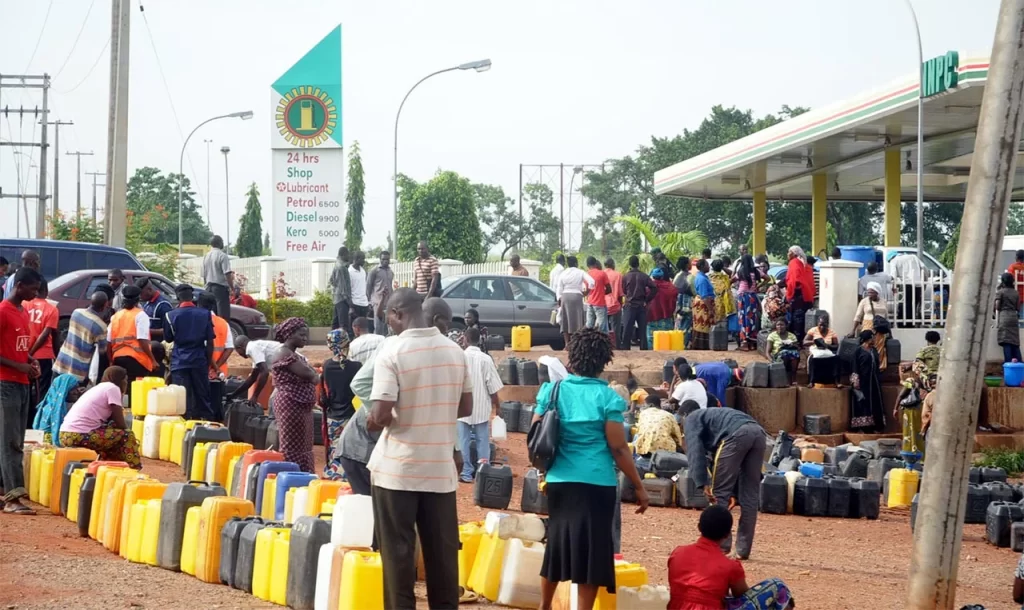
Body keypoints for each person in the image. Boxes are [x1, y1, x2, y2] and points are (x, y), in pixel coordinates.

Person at [367, 290, 473, 610]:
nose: (387, 322)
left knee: (398, 560)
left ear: (399, 313)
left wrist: (373, 420)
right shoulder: (455, 352)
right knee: (442, 560)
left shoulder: (393, 351)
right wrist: (433, 412)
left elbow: (382, 414)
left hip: (397, 472)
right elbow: (466, 406)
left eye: (388, 315)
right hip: (439, 473)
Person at [533, 328, 648, 610]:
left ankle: (544, 606)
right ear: (603, 362)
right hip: (598, 484)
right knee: (594, 551)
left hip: (560, 480)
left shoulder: (552, 390)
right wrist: (639, 486)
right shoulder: (608, 398)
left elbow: (536, 430)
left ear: (571, 358)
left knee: (557, 544)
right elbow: (619, 449)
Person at [681, 401, 766, 560]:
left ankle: (720, 548)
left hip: (736, 435)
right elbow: (725, 462)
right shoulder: (714, 417)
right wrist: (734, 492)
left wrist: (702, 482)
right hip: (758, 433)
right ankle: (743, 550)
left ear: (684, 415)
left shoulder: (692, 418)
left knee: (718, 495)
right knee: (750, 496)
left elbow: (695, 451)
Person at [668, 505, 794, 610]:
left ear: (699, 527)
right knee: (777, 585)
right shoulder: (730, 566)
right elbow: (742, 595)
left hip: (677, 606)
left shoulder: (677, 553)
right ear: (727, 534)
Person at [0, 267, 43, 515]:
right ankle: (13, 497)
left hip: (22, 381)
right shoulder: (3, 311)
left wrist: (29, 360)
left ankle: (5, 490)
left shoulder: (22, 312)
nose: (34, 293)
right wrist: (20, 365)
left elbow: (16, 347)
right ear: (20, 286)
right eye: (33, 289)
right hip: (6, 382)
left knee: (12, 438)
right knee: (11, 440)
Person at [58, 366, 142, 469]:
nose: (126, 383)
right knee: (127, 435)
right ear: (120, 379)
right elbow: (120, 423)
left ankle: (109, 467)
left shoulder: (99, 388)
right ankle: (135, 469)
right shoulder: (113, 388)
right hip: (78, 435)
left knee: (111, 434)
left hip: (65, 434)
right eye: (125, 380)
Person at [268, 317, 318, 472]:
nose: (305, 338)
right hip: (290, 404)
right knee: (291, 444)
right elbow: (312, 376)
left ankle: (303, 474)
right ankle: (291, 476)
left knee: (303, 444)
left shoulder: (294, 355)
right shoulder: (284, 354)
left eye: (306, 335)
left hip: (300, 405)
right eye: (301, 334)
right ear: (289, 334)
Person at [458, 327, 503, 483]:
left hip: (462, 407)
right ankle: (483, 472)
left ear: (464, 339)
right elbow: (493, 386)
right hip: (481, 407)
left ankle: (465, 472)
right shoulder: (485, 359)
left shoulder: (459, 357)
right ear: (480, 340)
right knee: (482, 440)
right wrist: (498, 406)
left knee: (462, 440)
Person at [163, 284, 215, 421]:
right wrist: (208, 363)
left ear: (178, 297)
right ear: (192, 297)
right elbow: (210, 343)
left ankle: (184, 429)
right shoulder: (205, 314)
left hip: (179, 361)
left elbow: (168, 338)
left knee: (182, 399)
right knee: (203, 396)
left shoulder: (170, 315)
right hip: (199, 360)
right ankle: (208, 427)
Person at [320, 328, 362, 479]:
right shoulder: (357, 367)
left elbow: (324, 395)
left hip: (333, 417)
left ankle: (333, 476)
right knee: (351, 449)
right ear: (347, 344)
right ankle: (348, 478)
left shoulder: (326, 366)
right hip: (352, 416)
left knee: (334, 449)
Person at [52, 291, 109, 382]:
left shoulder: (76, 312)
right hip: (78, 370)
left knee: (54, 394)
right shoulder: (100, 326)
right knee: (73, 396)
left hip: (61, 362)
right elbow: (102, 351)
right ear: (105, 305)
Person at [106, 285, 156, 385]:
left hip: (118, 358)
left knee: (122, 389)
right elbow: (142, 340)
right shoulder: (141, 315)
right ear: (138, 300)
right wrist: (153, 360)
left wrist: (110, 361)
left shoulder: (116, 316)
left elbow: (108, 342)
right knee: (136, 390)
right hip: (136, 359)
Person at [26, 279, 58, 403]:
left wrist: (27, 354)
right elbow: (45, 334)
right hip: (42, 354)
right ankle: (38, 419)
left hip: (24, 352)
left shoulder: (24, 304)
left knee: (27, 387)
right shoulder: (52, 309)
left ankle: (27, 418)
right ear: (46, 290)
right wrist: (32, 353)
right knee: (42, 390)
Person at [229, 336, 281, 407]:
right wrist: (233, 394)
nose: (239, 354)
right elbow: (253, 378)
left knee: (274, 402)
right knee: (274, 401)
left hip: (293, 371)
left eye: (237, 351)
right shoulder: (255, 349)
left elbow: (265, 372)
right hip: (290, 372)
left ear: (240, 347)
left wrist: (255, 396)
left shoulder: (252, 348)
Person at [850, 329, 886, 432]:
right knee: (863, 403)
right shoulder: (858, 351)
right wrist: (855, 383)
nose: (874, 339)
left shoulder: (873, 350)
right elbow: (854, 367)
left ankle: (876, 426)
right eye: (872, 337)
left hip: (874, 382)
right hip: (863, 382)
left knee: (876, 403)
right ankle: (863, 427)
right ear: (867, 339)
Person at [555, 255, 594, 346]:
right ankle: (575, 343)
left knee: (565, 320)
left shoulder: (563, 273)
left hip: (565, 297)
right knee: (577, 321)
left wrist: (559, 299)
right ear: (576, 263)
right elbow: (592, 282)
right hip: (577, 297)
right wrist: (587, 292)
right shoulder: (580, 272)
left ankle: (566, 344)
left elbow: (559, 287)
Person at [620, 255, 657, 351]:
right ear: (638, 264)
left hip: (630, 305)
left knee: (627, 330)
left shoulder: (626, 276)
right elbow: (654, 288)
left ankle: (626, 350)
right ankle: (643, 350)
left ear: (630, 264)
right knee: (642, 330)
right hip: (641, 305)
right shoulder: (644, 276)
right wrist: (647, 300)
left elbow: (623, 290)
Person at [894, 363, 926, 465]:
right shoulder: (923, 382)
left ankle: (910, 453)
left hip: (910, 410)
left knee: (909, 431)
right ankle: (920, 454)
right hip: (919, 409)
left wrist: (895, 408)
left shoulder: (910, 381)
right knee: (917, 431)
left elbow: (901, 395)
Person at [197, 293, 234, 378]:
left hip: (202, 371)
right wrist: (216, 369)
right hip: (219, 373)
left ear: (198, 304)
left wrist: (213, 369)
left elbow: (206, 348)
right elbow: (230, 348)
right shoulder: (223, 323)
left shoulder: (198, 322)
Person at [201, 235, 234, 320]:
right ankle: (222, 333)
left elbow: (203, 275)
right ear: (220, 243)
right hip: (220, 289)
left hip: (208, 288)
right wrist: (232, 288)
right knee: (223, 316)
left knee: (211, 316)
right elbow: (227, 274)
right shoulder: (222, 256)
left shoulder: (206, 256)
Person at [803, 311, 839, 387]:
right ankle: (811, 381)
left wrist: (827, 345)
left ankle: (836, 382)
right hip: (816, 350)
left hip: (826, 350)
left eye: (824, 325)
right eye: (820, 325)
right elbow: (804, 342)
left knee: (836, 358)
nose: (822, 327)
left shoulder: (832, 332)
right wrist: (815, 341)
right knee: (812, 359)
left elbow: (836, 345)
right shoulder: (813, 330)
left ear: (827, 324)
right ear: (817, 323)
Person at [785, 246, 815, 338]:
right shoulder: (804, 264)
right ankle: (802, 341)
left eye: (789, 252)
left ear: (794, 254)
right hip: (806, 296)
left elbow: (794, 280)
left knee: (797, 320)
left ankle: (797, 341)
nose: (787, 254)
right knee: (803, 320)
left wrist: (789, 296)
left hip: (797, 296)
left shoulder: (793, 263)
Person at [733, 255, 761, 351]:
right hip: (752, 297)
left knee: (743, 318)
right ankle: (752, 343)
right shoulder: (755, 272)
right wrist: (757, 286)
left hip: (742, 297)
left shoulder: (740, 272)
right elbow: (768, 278)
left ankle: (744, 342)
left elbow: (731, 280)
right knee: (751, 318)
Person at [890, 251, 926, 323]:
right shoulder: (914, 256)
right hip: (918, 284)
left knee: (906, 304)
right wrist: (924, 281)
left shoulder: (894, 261)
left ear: (891, 258)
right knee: (914, 304)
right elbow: (924, 268)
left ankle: (906, 323)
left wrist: (893, 286)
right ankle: (912, 322)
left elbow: (893, 275)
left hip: (906, 285)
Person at [647, 267, 679, 348]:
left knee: (651, 340)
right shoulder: (670, 287)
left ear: (652, 276)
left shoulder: (647, 288)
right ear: (662, 276)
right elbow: (675, 296)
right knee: (666, 340)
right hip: (666, 318)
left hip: (651, 318)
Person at [997, 272, 1023, 363]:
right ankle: (1019, 365)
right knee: (1015, 343)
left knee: (1006, 342)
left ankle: (1008, 364)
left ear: (1003, 282)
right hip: (1014, 317)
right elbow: (1018, 307)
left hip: (1004, 317)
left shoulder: (1001, 292)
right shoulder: (1016, 293)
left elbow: (997, 306)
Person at [690, 260, 716, 351]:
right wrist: (711, 310)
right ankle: (701, 346)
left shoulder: (703, 277)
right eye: (707, 265)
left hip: (705, 303)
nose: (709, 267)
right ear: (702, 267)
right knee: (703, 325)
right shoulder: (701, 279)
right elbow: (704, 296)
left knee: (703, 325)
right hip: (704, 304)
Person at [367, 250, 394, 336]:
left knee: (387, 328)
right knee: (378, 327)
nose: (385, 261)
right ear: (380, 259)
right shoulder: (374, 271)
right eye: (383, 259)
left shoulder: (390, 271)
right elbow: (368, 287)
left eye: (387, 259)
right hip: (377, 303)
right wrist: (369, 302)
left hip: (388, 303)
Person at [766, 319, 800, 386]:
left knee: (795, 354)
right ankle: (784, 378)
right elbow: (767, 352)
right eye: (778, 325)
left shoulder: (792, 336)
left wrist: (790, 345)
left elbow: (797, 347)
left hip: (791, 354)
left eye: (782, 325)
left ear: (786, 326)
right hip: (777, 356)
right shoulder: (772, 336)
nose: (779, 327)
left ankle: (793, 377)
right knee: (785, 353)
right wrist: (772, 361)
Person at [329, 246, 352, 333]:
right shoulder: (341, 268)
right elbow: (343, 288)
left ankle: (332, 342)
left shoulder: (336, 265)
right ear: (343, 255)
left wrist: (336, 289)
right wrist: (349, 300)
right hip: (342, 299)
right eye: (347, 255)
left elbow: (332, 280)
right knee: (343, 324)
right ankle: (343, 344)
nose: (348, 257)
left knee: (335, 323)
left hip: (336, 298)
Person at [585, 256, 610, 333]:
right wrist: (601, 293)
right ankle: (600, 343)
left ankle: (587, 342)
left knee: (589, 325)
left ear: (587, 265)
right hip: (600, 304)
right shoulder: (602, 273)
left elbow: (586, 290)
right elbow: (609, 289)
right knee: (601, 328)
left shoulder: (586, 274)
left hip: (590, 303)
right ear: (595, 263)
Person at [709, 260, 735, 328]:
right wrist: (723, 267)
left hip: (713, 301)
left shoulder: (709, 278)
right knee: (723, 322)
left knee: (714, 321)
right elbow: (732, 274)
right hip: (724, 302)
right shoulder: (725, 278)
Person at [674, 257, 694, 344]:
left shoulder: (677, 276)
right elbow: (695, 292)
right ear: (687, 265)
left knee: (678, 325)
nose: (691, 265)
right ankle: (683, 344)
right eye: (690, 263)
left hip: (678, 305)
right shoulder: (691, 277)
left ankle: (677, 343)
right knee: (687, 327)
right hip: (688, 305)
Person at [348, 251, 372, 324]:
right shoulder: (349, 271)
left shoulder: (363, 271)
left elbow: (364, 287)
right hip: (355, 304)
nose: (364, 261)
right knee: (355, 327)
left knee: (363, 327)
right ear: (357, 259)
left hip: (364, 304)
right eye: (363, 259)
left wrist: (368, 302)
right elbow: (348, 290)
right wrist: (351, 306)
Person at [604, 257, 623, 345]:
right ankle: (617, 346)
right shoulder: (618, 275)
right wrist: (620, 304)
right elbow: (620, 293)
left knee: (603, 329)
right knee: (616, 330)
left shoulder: (602, 274)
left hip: (602, 306)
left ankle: (604, 346)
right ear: (613, 265)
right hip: (615, 305)